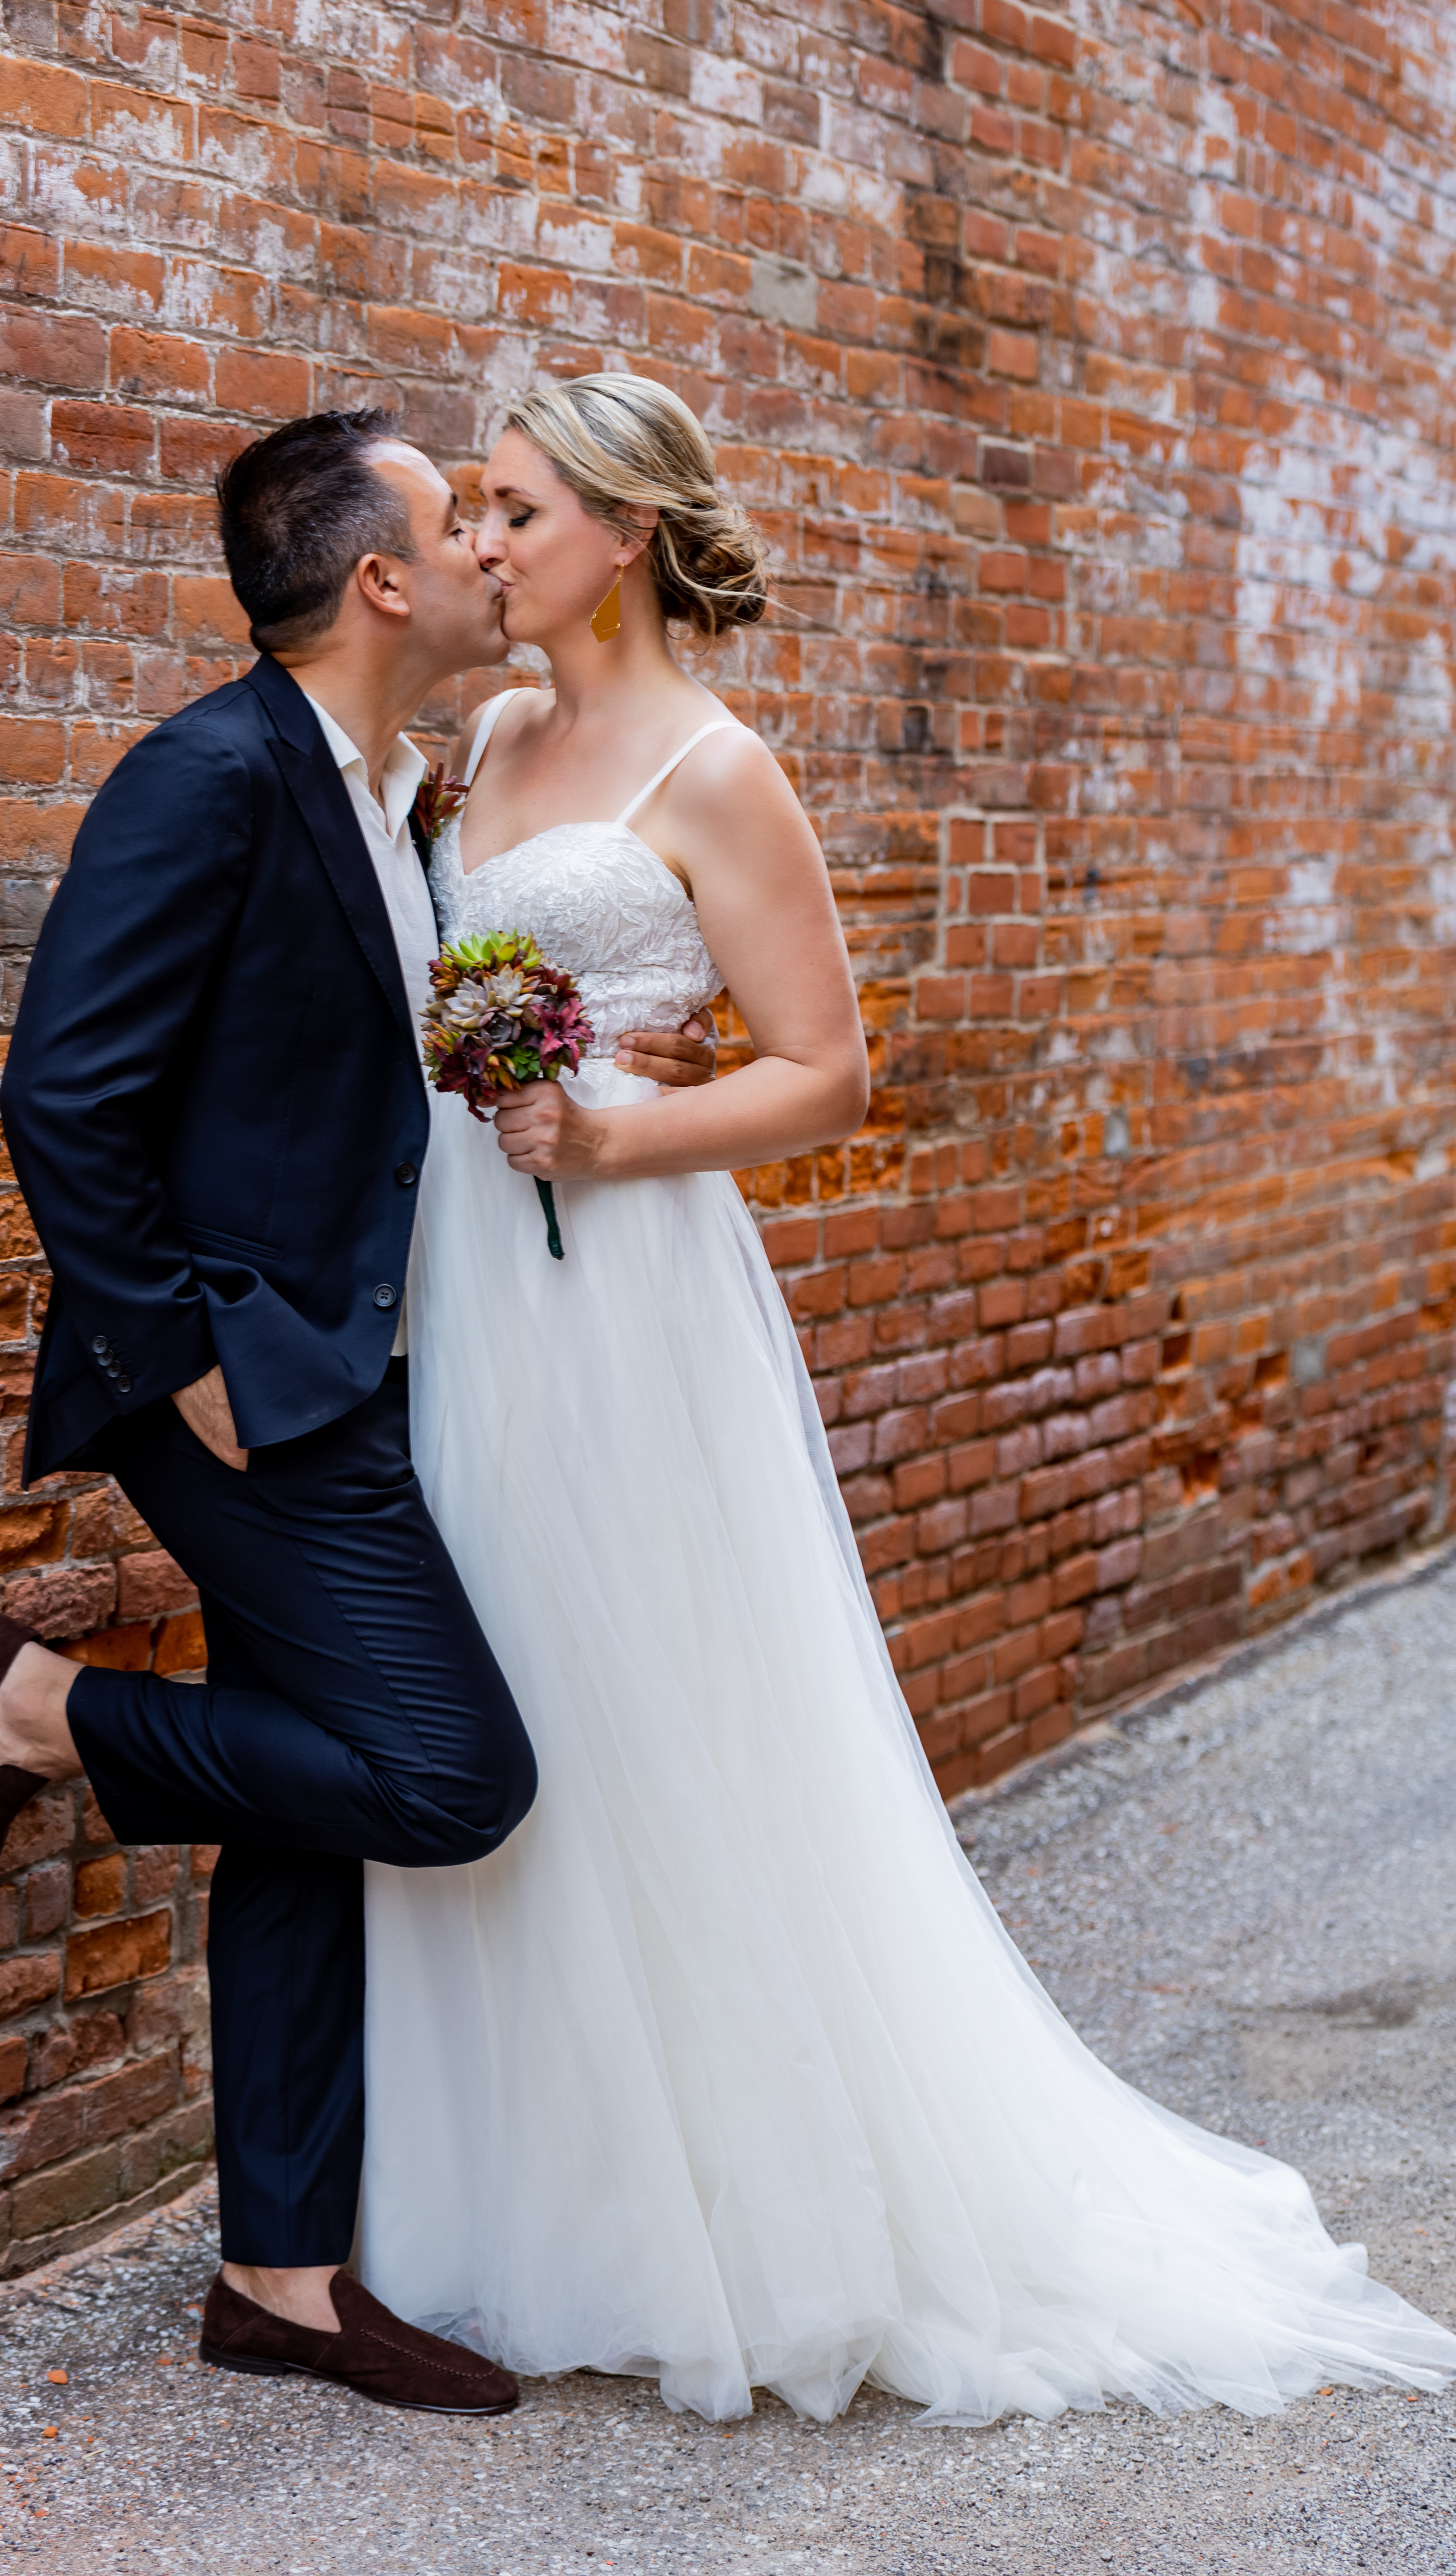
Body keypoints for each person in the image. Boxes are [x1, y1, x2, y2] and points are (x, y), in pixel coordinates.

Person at [356, 372, 1456, 2425]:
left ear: (617, 528)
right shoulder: (490, 738)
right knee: (502, 1678)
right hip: (473, 1276)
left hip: (624, 1284)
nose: (480, 547)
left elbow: (825, 1070)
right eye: (478, 514)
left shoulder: (713, 767)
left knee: (650, 1708)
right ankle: (530, 2185)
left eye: (510, 510)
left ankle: (724, 2199)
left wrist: (606, 1145)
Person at [0, 410, 717, 2416]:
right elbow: (62, 1098)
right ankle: (36, 1710)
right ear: (380, 580)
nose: (489, 548)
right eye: (462, 518)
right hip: (245, 1390)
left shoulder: (393, 787)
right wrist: (190, 1365)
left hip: (356, 1361)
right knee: (452, 1778)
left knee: (309, 1810)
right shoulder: (211, 774)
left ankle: (280, 2275)